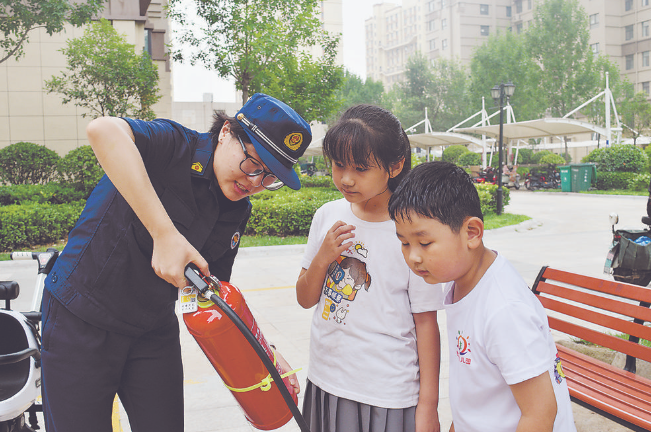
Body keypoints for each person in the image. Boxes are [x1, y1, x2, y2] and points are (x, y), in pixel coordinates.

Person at [40, 93, 311, 432]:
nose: (254, 183)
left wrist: (265, 355)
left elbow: (217, 298)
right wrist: (164, 234)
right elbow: (102, 131)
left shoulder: (237, 210)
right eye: (253, 165)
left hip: (151, 329)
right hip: (80, 317)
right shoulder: (172, 146)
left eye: (268, 178)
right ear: (226, 131)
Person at [388, 161, 577, 432]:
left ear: (472, 233)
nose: (413, 256)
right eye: (404, 243)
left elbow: (540, 413)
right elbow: (477, 389)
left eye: (425, 243)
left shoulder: (504, 309)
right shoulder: (465, 282)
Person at [295, 105, 444, 432]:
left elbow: (426, 324)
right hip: (326, 379)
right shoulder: (327, 216)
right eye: (338, 165)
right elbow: (305, 298)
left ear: (395, 165)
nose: (346, 178)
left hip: (386, 392)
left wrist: (428, 407)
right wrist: (323, 257)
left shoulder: (411, 231)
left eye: (360, 168)